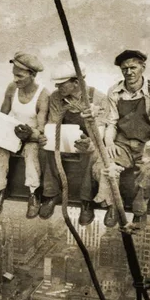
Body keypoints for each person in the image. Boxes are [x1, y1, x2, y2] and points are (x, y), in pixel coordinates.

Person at [93, 50, 150, 227]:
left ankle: (139, 210)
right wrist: (110, 142)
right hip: (123, 143)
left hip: (149, 145)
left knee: (149, 172)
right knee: (104, 165)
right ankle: (112, 205)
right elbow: (111, 122)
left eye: (133, 67)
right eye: (124, 69)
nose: (129, 73)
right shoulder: (114, 91)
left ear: (142, 67)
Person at [39, 63, 107, 224]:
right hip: (65, 140)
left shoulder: (98, 98)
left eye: (61, 84)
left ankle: (86, 201)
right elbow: (53, 124)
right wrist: (47, 136)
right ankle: (51, 193)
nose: (57, 87)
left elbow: (100, 132)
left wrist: (89, 143)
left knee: (92, 154)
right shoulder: (56, 97)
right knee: (46, 148)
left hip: (89, 142)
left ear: (76, 82)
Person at [0, 52, 49, 218]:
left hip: (31, 136)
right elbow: (3, 114)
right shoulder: (12, 88)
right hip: (13, 131)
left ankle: (33, 192)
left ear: (32, 75)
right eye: (14, 75)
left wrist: (30, 133)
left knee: (31, 152)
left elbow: (42, 129)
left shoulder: (43, 95)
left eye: (20, 76)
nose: (15, 79)